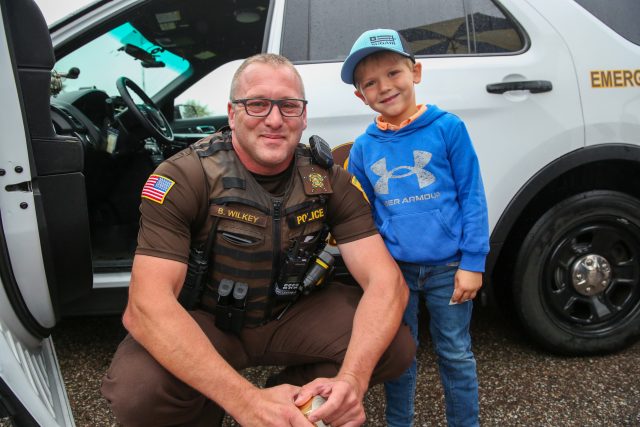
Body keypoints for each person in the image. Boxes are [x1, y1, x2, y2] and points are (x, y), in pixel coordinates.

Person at [100, 53, 415, 427]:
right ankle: (217, 409)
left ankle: (295, 406)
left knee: (394, 345)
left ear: (304, 115)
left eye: (289, 106)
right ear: (232, 114)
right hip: (208, 321)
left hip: (289, 314)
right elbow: (145, 306)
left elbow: (387, 283)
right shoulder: (184, 176)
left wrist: (352, 380)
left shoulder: (327, 180)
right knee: (139, 390)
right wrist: (244, 401)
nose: (275, 119)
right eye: (257, 104)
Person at [340, 29, 490, 427]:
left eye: (393, 73)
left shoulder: (448, 128)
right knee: (399, 356)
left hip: (449, 268)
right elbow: (360, 217)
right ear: (360, 96)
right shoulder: (362, 149)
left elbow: (472, 195)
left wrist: (473, 261)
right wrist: (373, 274)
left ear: (416, 72)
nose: (384, 87)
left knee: (455, 353)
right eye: (370, 82)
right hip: (395, 272)